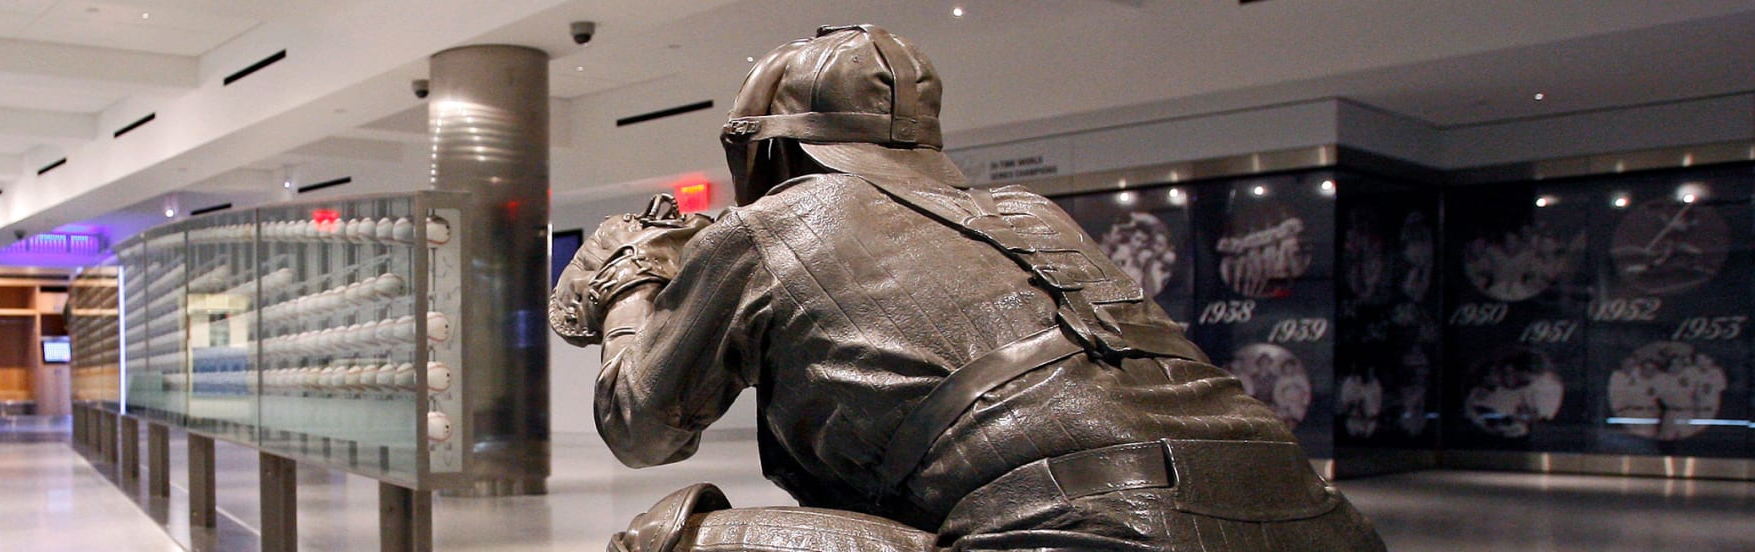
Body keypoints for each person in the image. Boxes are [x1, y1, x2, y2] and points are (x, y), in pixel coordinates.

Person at [551, 24, 1388, 552]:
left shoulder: (767, 226)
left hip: (1092, 537)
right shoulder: (1030, 210)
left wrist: (634, 279)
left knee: (663, 539)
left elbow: (642, 430)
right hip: (1325, 525)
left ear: (766, 148)